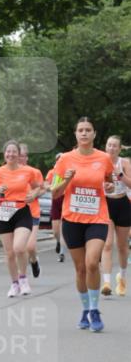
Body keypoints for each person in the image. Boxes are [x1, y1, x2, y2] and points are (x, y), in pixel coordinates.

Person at [51, 117, 115, 332]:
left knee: (90, 263)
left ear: (94, 134)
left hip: (97, 217)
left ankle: (95, 310)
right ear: (76, 134)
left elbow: (110, 183)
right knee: (79, 269)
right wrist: (67, 180)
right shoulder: (65, 160)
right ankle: (85, 309)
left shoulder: (104, 158)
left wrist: (109, 186)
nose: (84, 133)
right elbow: (55, 192)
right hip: (72, 219)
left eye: (88, 130)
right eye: (81, 130)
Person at [0, 141, 42, 297]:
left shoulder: (28, 172)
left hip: (22, 212)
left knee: (19, 248)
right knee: (10, 253)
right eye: (8, 152)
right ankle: (14, 283)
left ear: (19, 154)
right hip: (4, 213)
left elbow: (38, 187)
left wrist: (34, 194)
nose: (11, 154)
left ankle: (23, 278)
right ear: (4, 154)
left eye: (14, 152)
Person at [100, 135, 131, 296]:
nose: (111, 148)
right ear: (106, 147)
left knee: (122, 246)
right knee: (107, 244)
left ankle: (122, 278)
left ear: (119, 149)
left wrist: (120, 175)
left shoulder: (124, 163)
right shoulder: (99, 162)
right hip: (106, 204)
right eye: (109, 145)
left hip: (123, 204)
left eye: (115, 146)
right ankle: (106, 282)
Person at [18, 143, 44, 278]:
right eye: (18, 156)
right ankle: (22, 275)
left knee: (30, 247)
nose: (20, 159)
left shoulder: (34, 172)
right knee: (19, 248)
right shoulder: (7, 172)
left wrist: (34, 194)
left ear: (27, 158)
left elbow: (42, 188)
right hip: (15, 214)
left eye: (22, 156)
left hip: (32, 212)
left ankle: (34, 261)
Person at [45, 155, 65, 262]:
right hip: (55, 200)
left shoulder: (68, 172)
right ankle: (58, 241)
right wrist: (52, 186)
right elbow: (46, 185)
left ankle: (62, 253)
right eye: (59, 161)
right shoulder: (52, 173)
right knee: (56, 231)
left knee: (62, 229)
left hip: (66, 200)